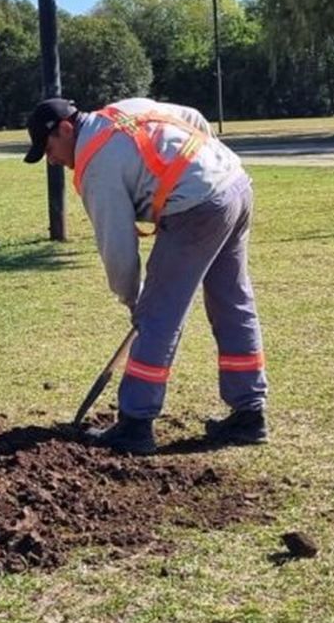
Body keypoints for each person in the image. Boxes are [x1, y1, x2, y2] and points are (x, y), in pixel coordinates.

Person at [23, 96, 268, 455]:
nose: (53, 160)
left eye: (50, 148)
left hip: (196, 208)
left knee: (158, 318)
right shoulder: (125, 109)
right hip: (233, 183)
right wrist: (203, 167)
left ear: (65, 128)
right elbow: (193, 116)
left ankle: (135, 424)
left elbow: (118, 249)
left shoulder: (95, 165)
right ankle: (250, 414)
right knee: (232, 301)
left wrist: (136, 299)